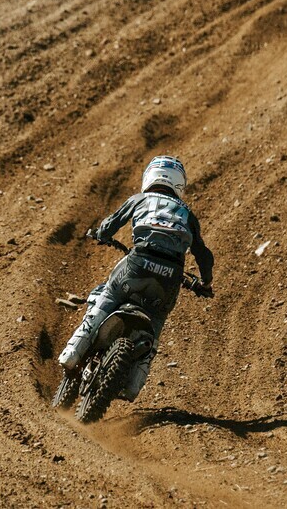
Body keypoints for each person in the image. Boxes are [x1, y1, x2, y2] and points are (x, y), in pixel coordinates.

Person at [57, 155, 214, 401]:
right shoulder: (188, 215)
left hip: (137, 263)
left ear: (149, 177)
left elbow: (111, 224)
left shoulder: (140, 199)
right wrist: (205, 283)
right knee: (157, 321)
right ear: (180, 184)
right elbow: (203, 255)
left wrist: (101, 234)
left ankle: (74, 352)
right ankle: (133, 383)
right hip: (170, 278)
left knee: (107, 296)